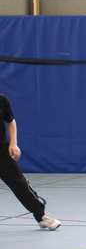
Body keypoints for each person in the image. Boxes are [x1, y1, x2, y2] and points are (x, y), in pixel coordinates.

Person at [0, 94, 60, 230]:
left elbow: (11, 122)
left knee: (20, 184)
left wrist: (13, 144)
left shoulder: (2, 100)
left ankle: (41, 216)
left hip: (1, 152)